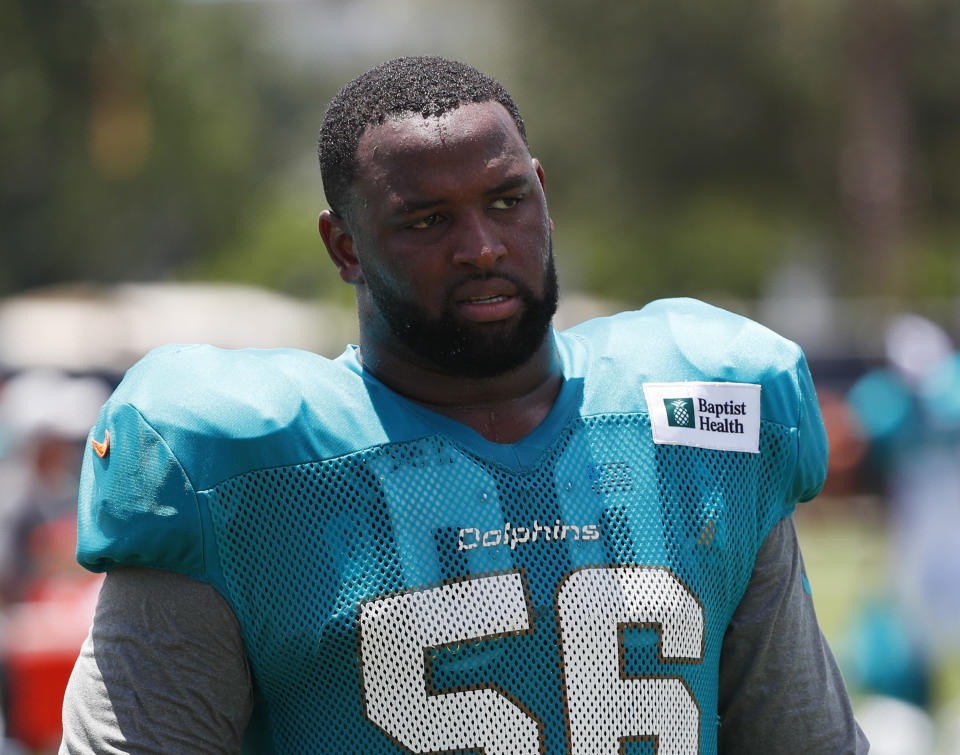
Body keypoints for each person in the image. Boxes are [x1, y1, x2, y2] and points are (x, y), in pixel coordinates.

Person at [60, 56, 867, 754]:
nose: (481, 245)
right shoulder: (232, 468)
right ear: (345, 246)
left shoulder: (697, 416)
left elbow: (803, 735)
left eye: (507, 201)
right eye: (427, 219)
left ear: (544, 194)